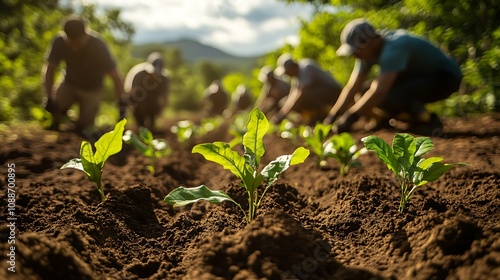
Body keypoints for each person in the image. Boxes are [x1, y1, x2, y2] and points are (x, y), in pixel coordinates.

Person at [323, 18, 463, 135]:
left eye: (355, 51)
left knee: (388, 97)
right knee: (364, 92)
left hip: (446, 78)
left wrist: (350, 117)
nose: (354, 55)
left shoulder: (394, 47)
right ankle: (383, 120)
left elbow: (380, 92)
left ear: (367, 41)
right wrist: (332, 116)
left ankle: (429, 121)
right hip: (418, 76)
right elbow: (352, 87)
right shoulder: (366, 55)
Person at [42, 15, 125, 134]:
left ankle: (77, 123)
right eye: (70, 43)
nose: (74, 47)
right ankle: (64, 118)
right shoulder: (59, 41)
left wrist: (122, 106)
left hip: (92, 90)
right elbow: (50, 69)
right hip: (68, 84)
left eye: (77, 43)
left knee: (85, 128)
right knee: (54, 112)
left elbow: (116, 77)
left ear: (87, 34)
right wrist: (49, 97)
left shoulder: (99, 46)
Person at [271, 54, 342, 126]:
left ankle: (322, 115)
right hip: (320, 93)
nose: (287, 75)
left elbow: (301, 94)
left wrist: (282, 115)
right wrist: (281, 113)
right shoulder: (295, 77)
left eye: (287, 72)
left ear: (292, 67)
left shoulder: (306, 67)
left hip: (334, 92)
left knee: (305, 97)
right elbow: (292, 95)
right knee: (284, 101)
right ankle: (314, 117)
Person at [123, 52, 170, 131]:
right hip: (138, 98)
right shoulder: (139, 74)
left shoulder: (164, 79)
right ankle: (140, 126)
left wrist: (161, 111)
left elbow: (165, 96)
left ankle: (151, 127)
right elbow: (130, 91)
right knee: (139, 111)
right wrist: (130, 107)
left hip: (153, 99)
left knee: (153, 107)